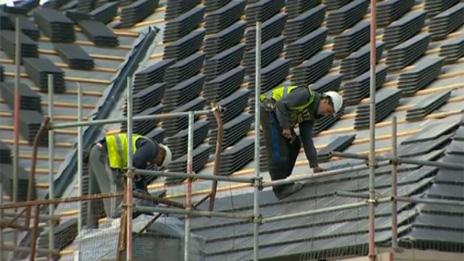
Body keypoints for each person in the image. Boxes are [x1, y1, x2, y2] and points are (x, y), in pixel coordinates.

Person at [260, 85, 343, 200]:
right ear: (325, 101)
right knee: (278, 150)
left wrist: (314, 165)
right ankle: (280, 189)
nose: (325, 115)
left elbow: (307, 138)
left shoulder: (310, 114)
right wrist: (286, 127)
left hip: (279, 115)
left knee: (295, 144)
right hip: (269, 108)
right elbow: (281, 105)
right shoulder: (305, 95)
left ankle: (283, 180)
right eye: (328, 111)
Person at [86, 133, 172, 227]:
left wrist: (147, 197)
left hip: (96, 152)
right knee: (114, 195)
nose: (155, 163)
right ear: (161, 153)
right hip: (105, 154)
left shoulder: (144, 146)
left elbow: (139, 181)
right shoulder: (152, 148)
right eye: (159, 162)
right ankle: (115, 221)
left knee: (94, 195)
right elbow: (135, 163)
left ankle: (91, 227)